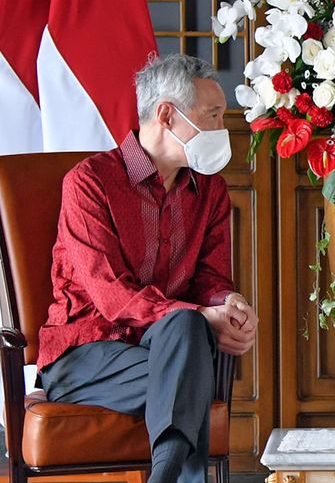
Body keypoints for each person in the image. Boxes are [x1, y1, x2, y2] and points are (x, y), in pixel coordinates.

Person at [37, 54, 258, 483]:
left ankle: (163, 476)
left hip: (167, 350)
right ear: (166, 115)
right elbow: (110, 295)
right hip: (85, 356)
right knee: (190, 353)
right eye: (212, 115)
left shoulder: (208, 190)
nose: (222, 128)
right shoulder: (90, 183)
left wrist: (229, 302)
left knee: (186, 334)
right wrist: (197, 315)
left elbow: (210, 280)